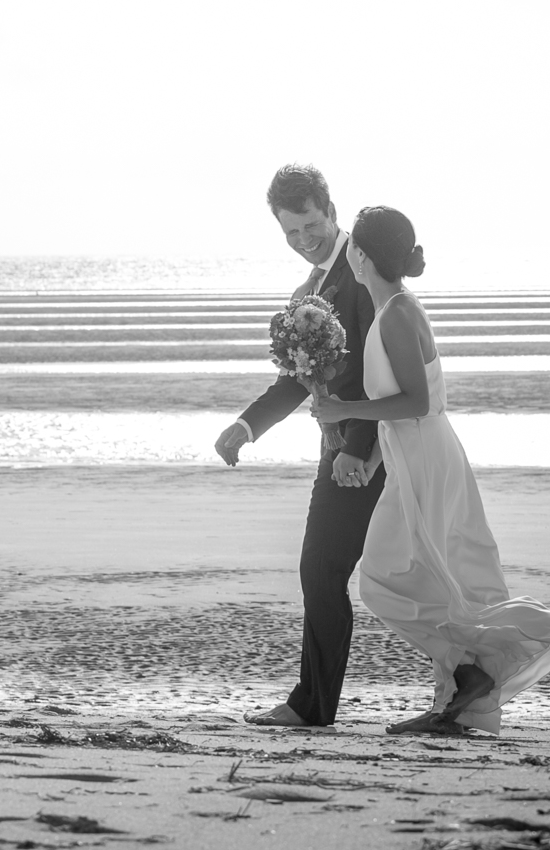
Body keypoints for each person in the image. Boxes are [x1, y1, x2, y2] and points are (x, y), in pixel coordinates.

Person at [314, 206, 550, 734]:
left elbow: (414, 403)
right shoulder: (398, 308)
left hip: (426, 460)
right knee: (436, 578)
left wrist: (344, 411)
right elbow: (407, 408)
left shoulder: (394, 315)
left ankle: (463, 674)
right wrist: (369, 460)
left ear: (361, 255)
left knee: (382, 584)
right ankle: (452, 704)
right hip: (414, 455)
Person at [215, 164, 384, 729]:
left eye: (310, 225)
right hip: (333, 449)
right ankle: (314, 703)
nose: (303, 240)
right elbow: (298, 377)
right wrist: (248, 425)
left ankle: (312, 706)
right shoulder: (309, 290)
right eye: (291, 232)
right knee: (328, 571)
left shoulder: (360, 273)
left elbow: (373, 370)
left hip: (367, 452)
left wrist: (359, 449)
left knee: (323, 568)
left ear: (331, 211)